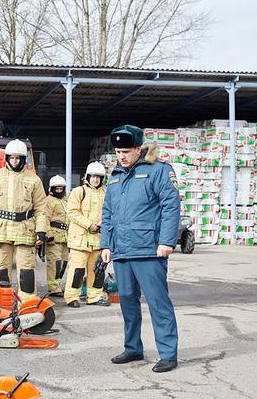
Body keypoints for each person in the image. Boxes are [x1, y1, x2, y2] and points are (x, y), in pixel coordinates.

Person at [101, 124, 181, 373]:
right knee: (127, 302)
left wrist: (167, 241)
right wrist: (106, 243)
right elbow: (107, 213)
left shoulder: (159, 171)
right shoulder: (115, 175)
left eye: (125, 151)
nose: (121, 156)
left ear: (139, 148)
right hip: (122, 251)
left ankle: (168, 354)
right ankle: (133, 347)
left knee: (158, 303)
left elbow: (171, 206)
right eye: (117, 151)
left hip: (149, 250)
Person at [0, 139, 47, 300]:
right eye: (12, 157)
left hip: (25, 230)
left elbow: (41, 208)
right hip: (0, 231)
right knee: (1, 271)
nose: (15, 161)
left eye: (18, 158)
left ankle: (27, 306)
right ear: (7, 158)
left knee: (27, 271)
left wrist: (42, 231)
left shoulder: (34, 180)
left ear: (23, 159)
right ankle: (3, 306)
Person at [64, 161, 110, 308]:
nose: (95, 179)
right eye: (93, 177)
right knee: (77, 270)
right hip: (80, 240)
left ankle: (95, 296)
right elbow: (72, 212)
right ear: (87, 177)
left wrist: (102, 224)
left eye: (98, 177)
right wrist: (89, 224)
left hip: (98, 240)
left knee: (97, 270)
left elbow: (111, 212)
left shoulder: (106, 193)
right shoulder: (78, 191)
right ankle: (72, 297)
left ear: (102, 179)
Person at [44, 175, 69, 297]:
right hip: (54, 237)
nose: (59, 191)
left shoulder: (66, 200)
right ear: (51, 189)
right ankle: (53, 287)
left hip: (65, 238)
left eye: (61, 189)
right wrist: (48, 235)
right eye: (56, 189)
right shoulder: (48, 201)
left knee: (64, 263)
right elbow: (45, 218)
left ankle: (57, 285)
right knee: (54, 263)